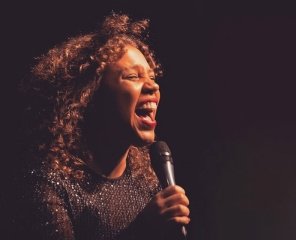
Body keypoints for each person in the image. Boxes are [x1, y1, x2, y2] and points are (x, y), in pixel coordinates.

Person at [17, 12, 190, 240]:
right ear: (89, 95)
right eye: (132, 77)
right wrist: (141, 232)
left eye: (152, 76)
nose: (153, 87)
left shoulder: (145, 180)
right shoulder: (48, 186)